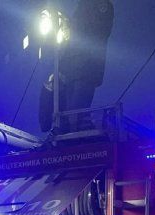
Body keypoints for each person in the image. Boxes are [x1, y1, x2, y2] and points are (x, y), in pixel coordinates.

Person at [39, 0, 114, 133]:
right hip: (72, 70)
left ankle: (76, 135)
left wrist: (71, 29)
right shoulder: (81, 7)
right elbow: (70, 45)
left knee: (75, 113)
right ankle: (67, 134)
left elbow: (99, 33)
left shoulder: (101, 5)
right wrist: (61, 69)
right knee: (68, 113)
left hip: (86, 69)